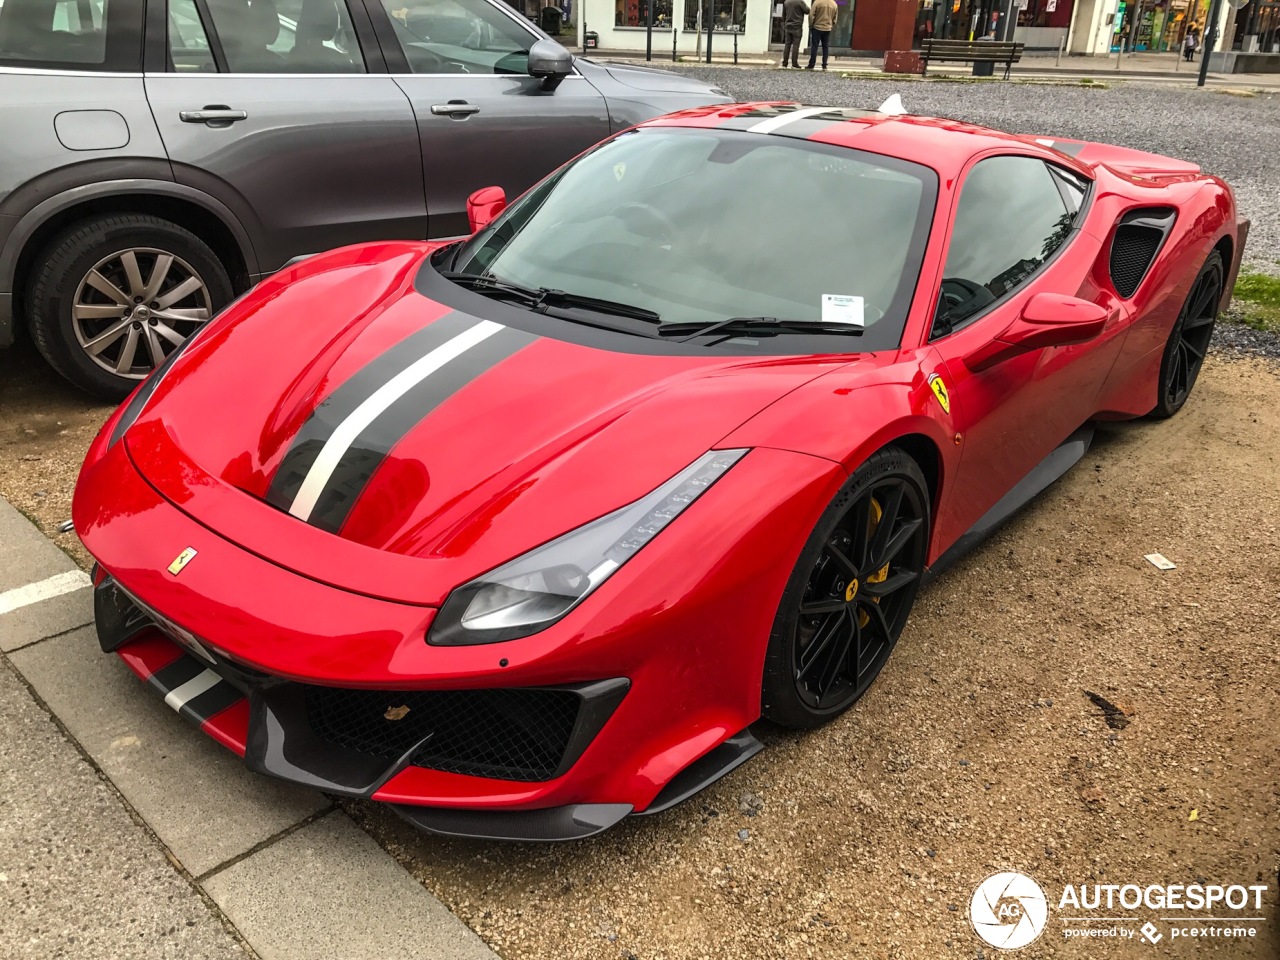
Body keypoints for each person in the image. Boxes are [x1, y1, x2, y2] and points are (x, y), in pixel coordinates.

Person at [805, 0, 837, 69]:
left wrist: (811, 25)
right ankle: (824, 64)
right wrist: (831, 25)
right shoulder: (834, 3)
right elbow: (835, 18)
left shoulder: (817, 2)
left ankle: (812, 64)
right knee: (825, 47)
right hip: (827, 28)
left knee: (814, 46)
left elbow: (811, 15)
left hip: (817, 27)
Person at [780, 0, 809, 68]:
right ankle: (794, 63)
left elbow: (783, 15)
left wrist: (786, 23)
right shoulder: (800, 2)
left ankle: (785, 62)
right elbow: (807, 11)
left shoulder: (786, 2)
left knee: (787, 45)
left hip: (788, 26)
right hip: (797, 26)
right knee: (796, 46)